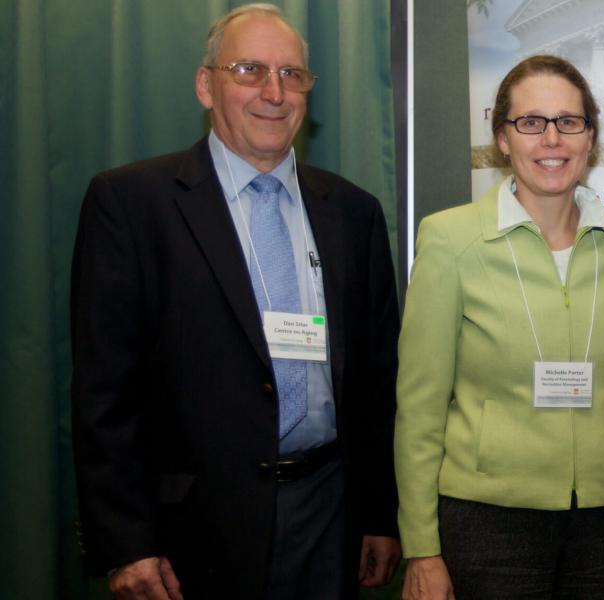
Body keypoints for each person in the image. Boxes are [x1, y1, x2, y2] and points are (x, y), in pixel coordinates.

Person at [70, 4, 401, 599]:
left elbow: (378, 381)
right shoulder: (132, 204)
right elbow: (104, 393)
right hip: (192, 528)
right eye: (249, 70)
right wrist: (127, 542)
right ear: (206, 85)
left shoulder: (354, 213)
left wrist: (380, 514)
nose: (274, 92)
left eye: (292, 74)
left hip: (329, 514)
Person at [395, 55, 604, 600]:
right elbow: (420, 407)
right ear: (502, 138)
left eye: (569, 121)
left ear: (590, 138)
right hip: (487, 521)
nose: (552, 139)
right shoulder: (450, 240)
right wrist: (421, 546)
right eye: (531, 122)